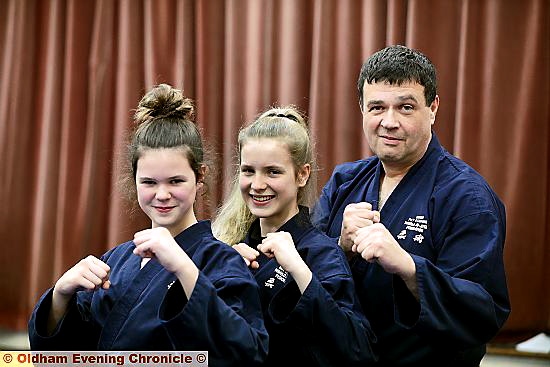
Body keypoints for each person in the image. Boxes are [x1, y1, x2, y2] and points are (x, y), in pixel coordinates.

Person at [28, 84, 269, 366]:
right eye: (149, 182)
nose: (162, 194)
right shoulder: (115, 261)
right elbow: (63, 358)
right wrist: (60, 294)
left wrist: (184, 268)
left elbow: (247, 352)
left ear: (199, 176)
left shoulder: (221, 261)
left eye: (176, 181)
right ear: (134, 180)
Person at [311, 45, 511, 366]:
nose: (389, 122)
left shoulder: (467, 197)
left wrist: (410, 268)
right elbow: (306, 279)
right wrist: (340, 247)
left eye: (405, 107)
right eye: (377, 107)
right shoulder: (344, 181)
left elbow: (482, 312)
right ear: (361, 108)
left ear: (432, 108)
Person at [212, 106, 377, 367]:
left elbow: (359, 352)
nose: (257, 184)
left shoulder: (321, 254)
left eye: (273, 172)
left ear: (302, 175)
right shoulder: (231, 250)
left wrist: (300, 272)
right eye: (248, 171)